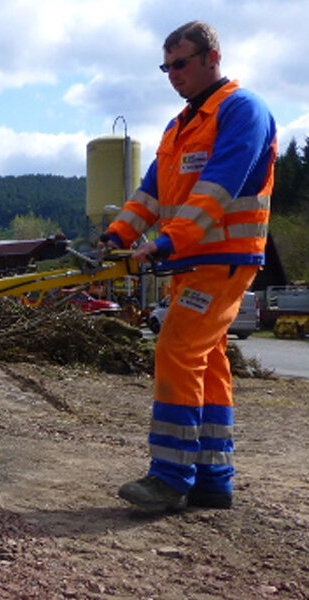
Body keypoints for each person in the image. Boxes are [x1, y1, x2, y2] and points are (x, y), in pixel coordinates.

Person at [102, 21, 276, 512]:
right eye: (166, 67)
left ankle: (170, 476)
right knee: (208, 361)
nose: (172, 75)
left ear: (211, 58)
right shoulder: (178, 127)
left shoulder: (242, 110)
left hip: (220, 261)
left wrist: (165, 241)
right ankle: (212, 479)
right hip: (190, 263)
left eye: (180, 64)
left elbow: (219, 187)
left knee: (176, 350)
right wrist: (117, 235)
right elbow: (151, 194)